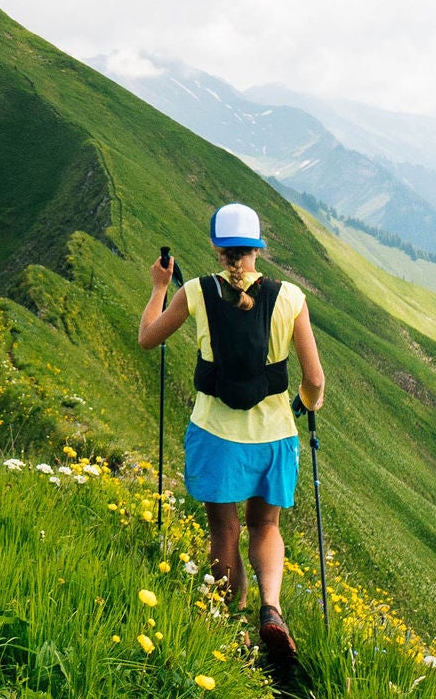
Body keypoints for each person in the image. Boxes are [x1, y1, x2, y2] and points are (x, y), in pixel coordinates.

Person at [138, 203, 325, 657]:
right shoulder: (291, 298)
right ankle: (271, 608)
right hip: (274, 435)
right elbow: (315, 380)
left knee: (224, 532)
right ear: (258, 248)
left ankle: (229, 620)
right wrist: (302, 406)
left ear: (218, 249)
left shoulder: (197, 292)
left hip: (215, 434)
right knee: (265, 524)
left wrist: (160, 287)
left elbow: (147, 337)